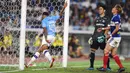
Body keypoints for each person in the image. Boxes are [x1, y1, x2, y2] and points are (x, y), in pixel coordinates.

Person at [25, 2, 67, 68]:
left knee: (40, 50)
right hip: (53, 37)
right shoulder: (53, 18)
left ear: (44, 15)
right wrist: (64, 7)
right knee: (42, 50)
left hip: (48, 36)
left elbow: (45, 30)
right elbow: (60, 15)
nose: (42, 17)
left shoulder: (44, 20)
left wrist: (46, 38)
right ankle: (28, 64)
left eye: (42, 15)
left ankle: (50, 60)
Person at [97, 4, 125, 73]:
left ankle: (104, 67)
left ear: (116, 10)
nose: (112, 8)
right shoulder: (115, 17)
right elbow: (110, 27)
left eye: (114, 8)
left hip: (115, 37)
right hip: (116, 37)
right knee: (113, 54)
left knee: (106, 51)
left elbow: (117, 28)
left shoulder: (116, 17)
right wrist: (102, 28)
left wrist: (110, 34)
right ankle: (121, 67)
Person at [87, 4, 111, 70]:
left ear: (104, 10)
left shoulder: (107, 18)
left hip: (102, 37)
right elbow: (95, 29)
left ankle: (108, 67)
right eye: (99, 9)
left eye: (101, 9)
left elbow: (108, 28)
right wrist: (92, 36)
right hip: (95, 37)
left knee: (105, 52)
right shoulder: (97, 18)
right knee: (92, 50)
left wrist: (104, 36)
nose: (99, 10)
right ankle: (91, 66)